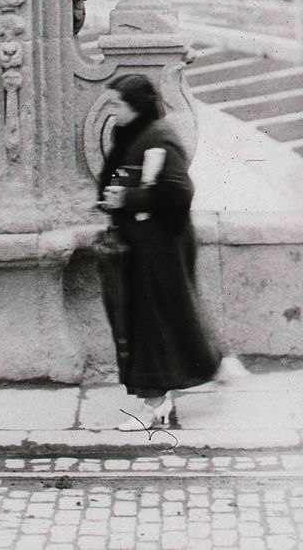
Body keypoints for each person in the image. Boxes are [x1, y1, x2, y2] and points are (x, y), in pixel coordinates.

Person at [98, 73, 223, 428]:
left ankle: (154, 407)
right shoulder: (134, 134)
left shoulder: (160, 139)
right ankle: (206, 367)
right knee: (162, 323)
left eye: (118, 104)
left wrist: (127, 197)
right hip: (144, 249)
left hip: (160, 250)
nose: (113, 110)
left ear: (136, 106)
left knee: (150, 327)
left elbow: (179, 194)